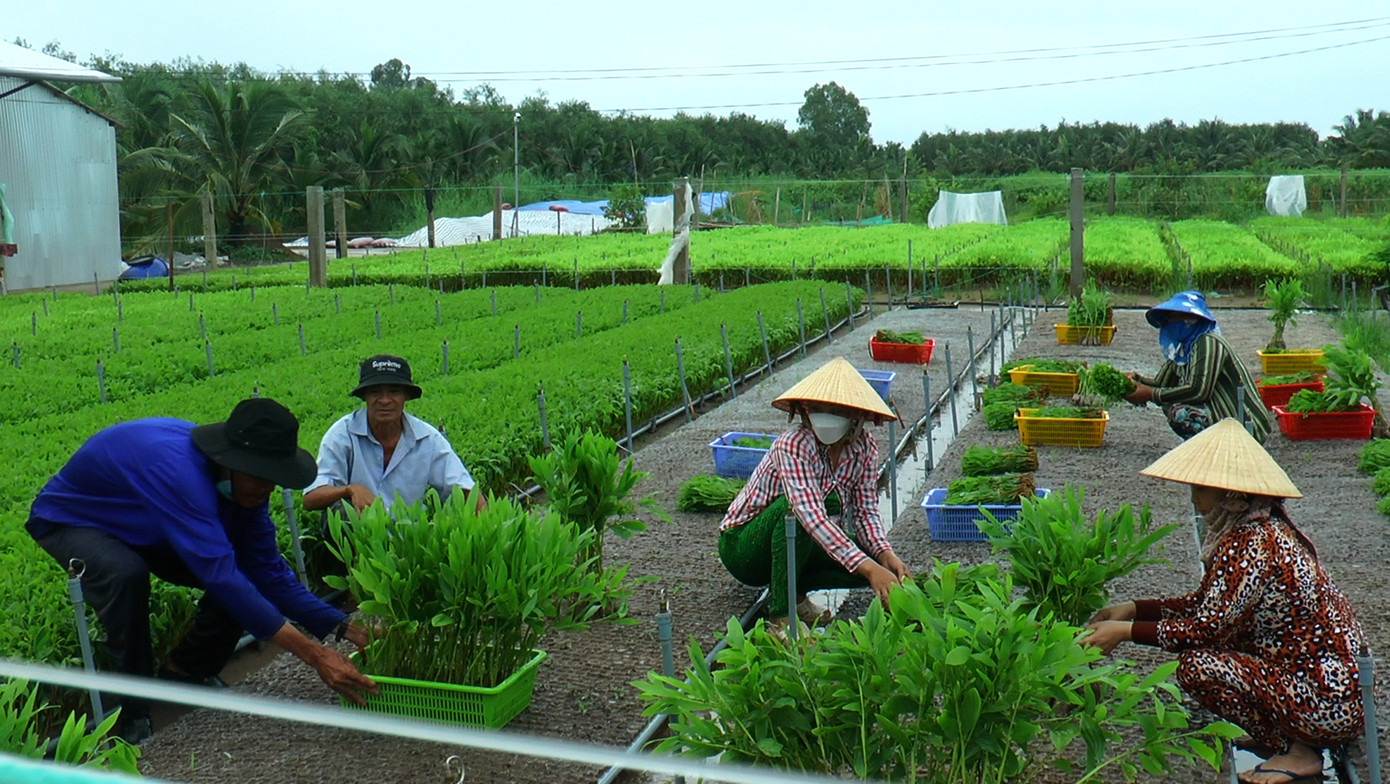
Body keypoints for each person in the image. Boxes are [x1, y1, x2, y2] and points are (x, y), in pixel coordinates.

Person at [25, 398, 378, 745]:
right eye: (262, 478)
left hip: (146, 522)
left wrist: (344, 627)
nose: (268, 489)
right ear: (231, 463)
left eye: (274, 479)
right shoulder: (181, 475)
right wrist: (316, 657)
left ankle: (185, 670)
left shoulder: (247, 492)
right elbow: (222, 578)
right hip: (72, 520)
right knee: (125, 576)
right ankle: (131, 712)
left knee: (245, 575)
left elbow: (269, 574)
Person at [1084, 419, 1365, 784]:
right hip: (1329, 691)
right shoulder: (1262, 526)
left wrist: (1125, 632)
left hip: (1326, 701)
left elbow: (1207, 627)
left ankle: (1298, 751)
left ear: (1231, 494)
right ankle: (1287, 739)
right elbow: (1206, 603)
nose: (1193, 497)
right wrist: (1136, 609)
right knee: (1221, 647)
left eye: (1201, 487)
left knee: (1197, 667)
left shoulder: (1251, 542)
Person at [718, 356, 912, 636]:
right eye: (818, 408)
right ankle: (782, 618)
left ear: (856, 415)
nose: (825, 416)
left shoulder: (864, 449)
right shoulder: (794, 444)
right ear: (805, 411)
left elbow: (865, 511)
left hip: (794, 539)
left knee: (875, 563)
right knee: (795, 514)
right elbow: (810, 516)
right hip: (745, 547)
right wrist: (868, 568)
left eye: (836, 409)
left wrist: (883, 555)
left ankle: (797, 594)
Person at [304, 354, 478, 514]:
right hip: (359, 539)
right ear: (364, 397)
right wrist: (350, 489)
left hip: (407, 538)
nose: (385, 400)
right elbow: (311, 496)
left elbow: (464, 489)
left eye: (394, 392)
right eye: (375, 392)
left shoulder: (427, 439)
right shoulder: (342, 435)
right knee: (342, 512)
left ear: (406, 397)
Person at [1123, 291, 1270, 443]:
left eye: (1175, 317)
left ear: (1191, 320)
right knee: (1169, 401)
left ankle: (1217, 447)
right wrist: (1135, 382)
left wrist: (1149, 394)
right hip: (1219, 416)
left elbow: (1199, 391)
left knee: (1179, 412)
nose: (1170, 322)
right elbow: (1162, 384)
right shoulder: (1182, 349)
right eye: (1170, 317)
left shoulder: (1208, 342)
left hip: (1242, 422)